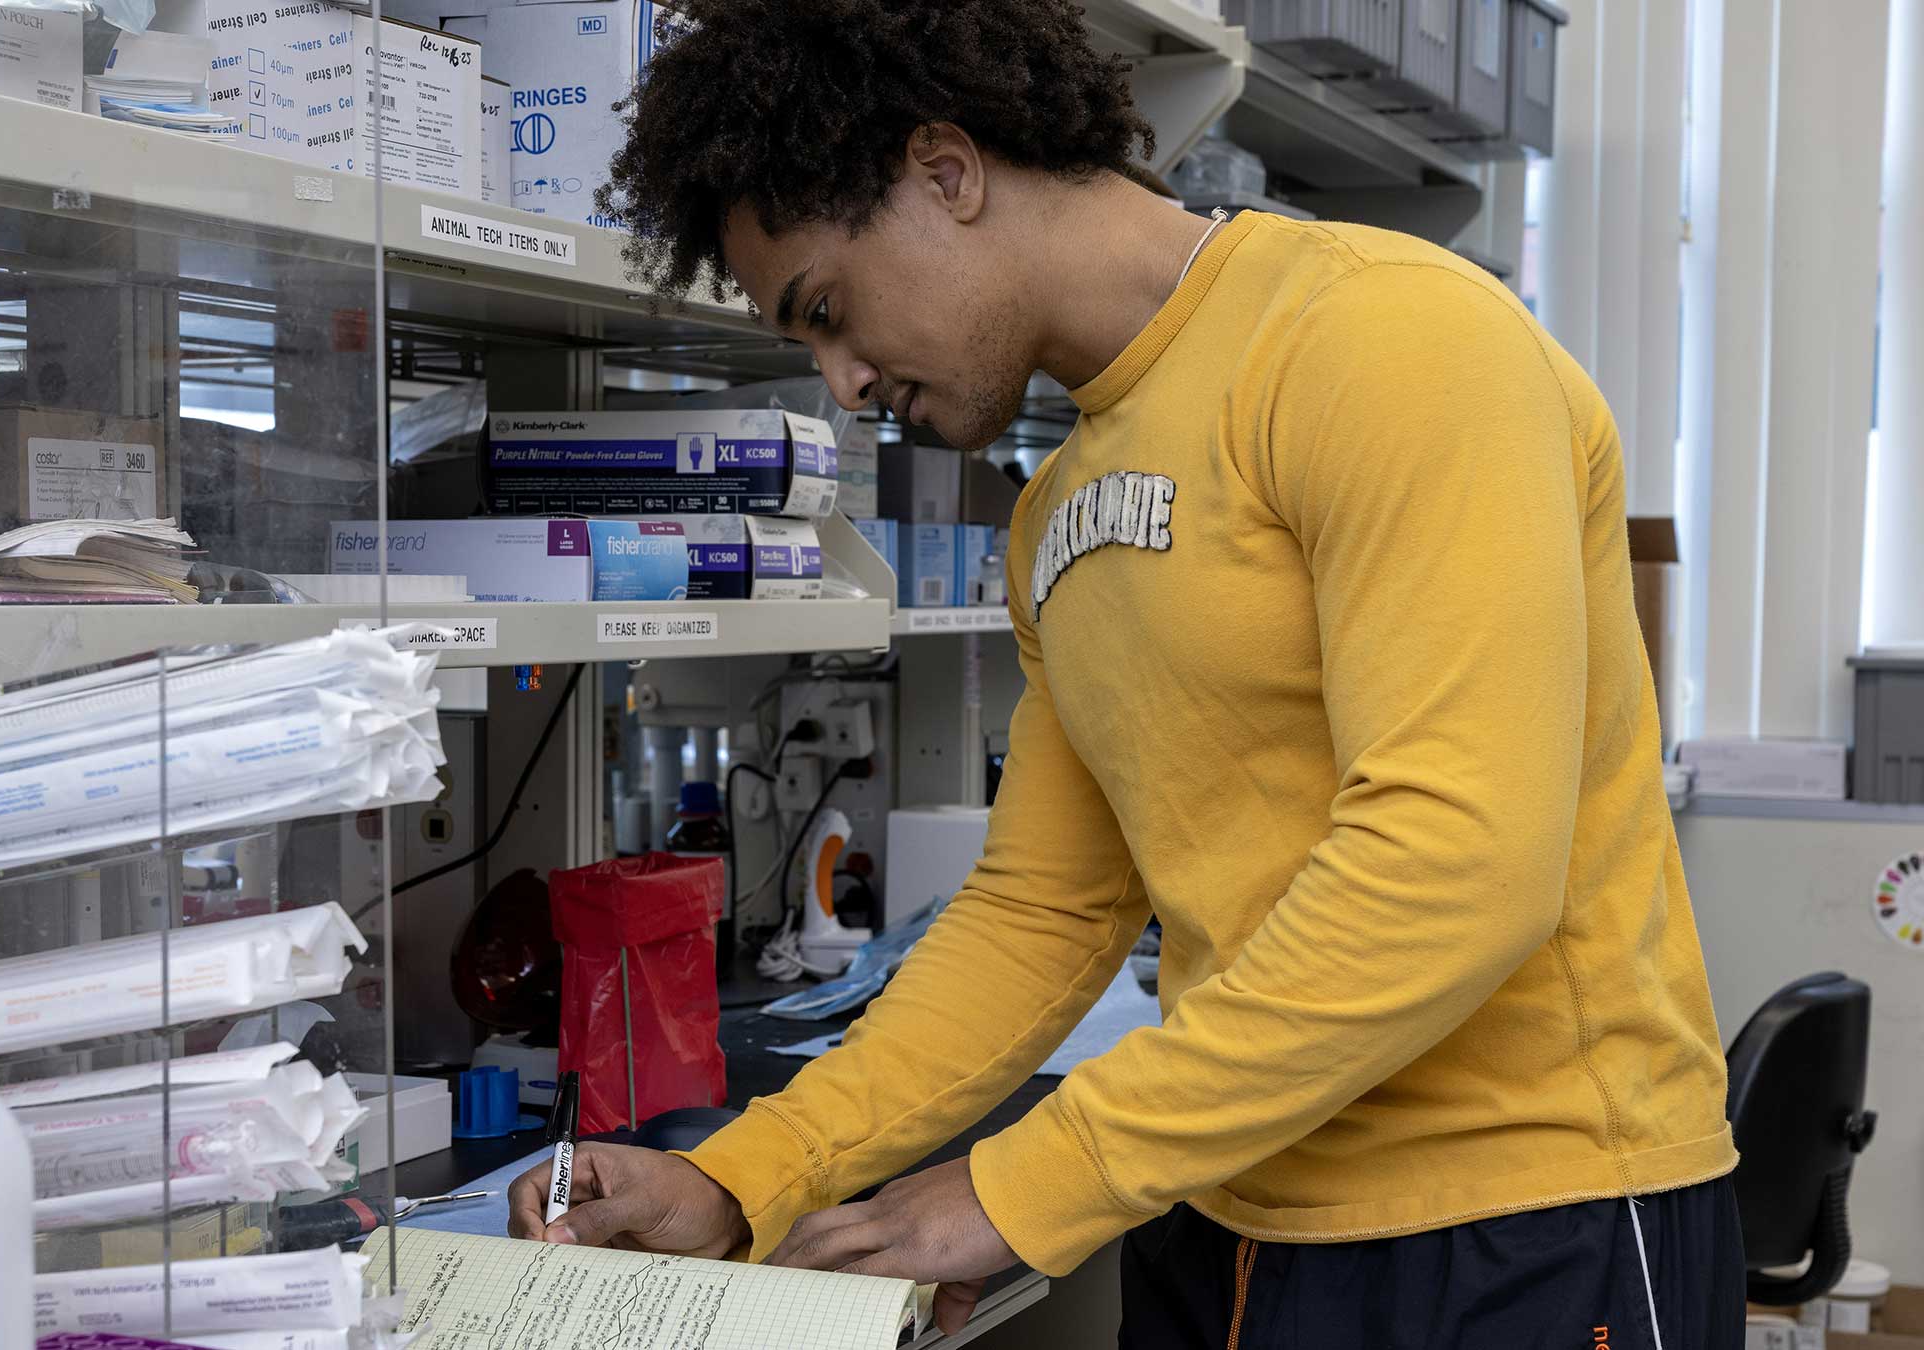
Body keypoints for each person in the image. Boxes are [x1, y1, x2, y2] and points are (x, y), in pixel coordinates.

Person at [505, 2, 1745, 1344]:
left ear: (946, 171)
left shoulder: (1387, 341)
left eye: (827, 309)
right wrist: (747, 1171)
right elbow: (1041, 911)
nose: (843, 381)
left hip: (1517, 1222)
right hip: (1220, 1217)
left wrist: (1028, 1182)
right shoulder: (1059, 511)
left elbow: (1459, 862)